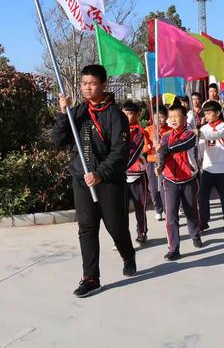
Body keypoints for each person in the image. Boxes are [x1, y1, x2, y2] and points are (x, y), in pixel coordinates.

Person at [52, 64, 136, 298]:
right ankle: (91, 277)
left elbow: (120, 151)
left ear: (104, 85)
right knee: (86, 228)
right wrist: (62, 114)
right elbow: (58, 141)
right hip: (81, 178)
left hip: (108, 181)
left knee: (116, 227)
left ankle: (128, 255)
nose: (87, 88)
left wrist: (100, 172)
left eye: (92, 84)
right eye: (83, 84)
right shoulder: (76, 112)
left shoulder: (115, 115)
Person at [156, 105, 202, 260]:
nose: (173, 119)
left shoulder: (190, 134)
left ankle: (195, 233)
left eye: (177, 116)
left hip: (189, 178)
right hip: (170, 180)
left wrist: (165, 148)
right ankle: (174, 248)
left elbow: (182, 145)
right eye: (171, 116)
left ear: (184, 118)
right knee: (171, 215)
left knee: (191, 210)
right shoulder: (166, 136)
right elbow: (162, 154)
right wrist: (160, 165)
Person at [198, 100, 224, 231]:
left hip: (222, 168)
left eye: (209, 113)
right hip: (207, 168)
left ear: (218, 113)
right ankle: (203, 222)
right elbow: (201, 147)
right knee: (202, 197)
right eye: (205, 113)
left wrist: (200, 134)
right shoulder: (203, 128)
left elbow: (216, 135)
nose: (206, 115)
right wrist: (199, 159)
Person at [122, 101, 148, 246]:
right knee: (121, 210)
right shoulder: (118, 130)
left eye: (129, 113)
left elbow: (132, 152)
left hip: (137, 175)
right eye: (124, 112)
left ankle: (142, 233)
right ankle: (122, 237)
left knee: (140, 207)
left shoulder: (139, 132)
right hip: (122, 176)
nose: (126, 116)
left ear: (136, 114)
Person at [144, 105, 170, 220]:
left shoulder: (170, 130)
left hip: (166, 163)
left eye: (162, 117)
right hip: (152, 162)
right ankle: (158, 209)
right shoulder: (148, 130)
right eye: (156, 117)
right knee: (154, 189)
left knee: (166, 188)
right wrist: (150, 145)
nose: (159, 120)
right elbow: (142, 148)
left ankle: (168, 210)